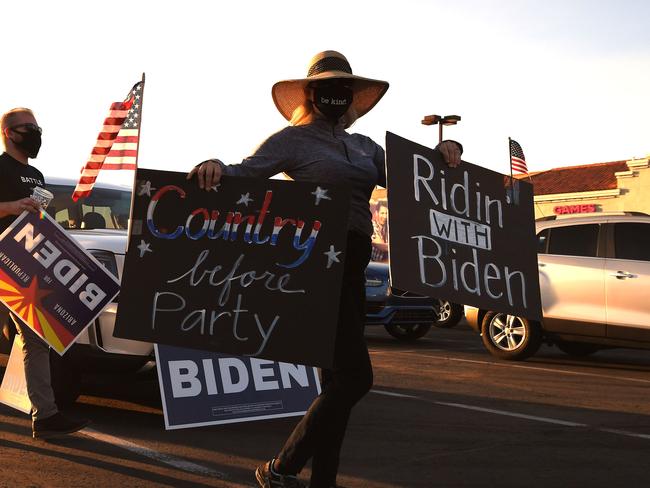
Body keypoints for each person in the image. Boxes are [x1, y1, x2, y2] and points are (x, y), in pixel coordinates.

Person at [188, 51, 462, 488]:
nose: (336, 95)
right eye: (327, 88)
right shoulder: (291, 140)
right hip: (315, 262)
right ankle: (281, 467)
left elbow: (418, 180)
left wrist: (445, 152)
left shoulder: (366, 147)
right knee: (356, 377)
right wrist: (214, 166)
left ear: (350, 96)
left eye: (343, 88)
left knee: (337, 381)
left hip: (354, 259)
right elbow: (245, 173)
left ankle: (323, 482)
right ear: (311, 94)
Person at [0, 107, 89, 439]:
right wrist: (10, 206)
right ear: (9, 133)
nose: (36, 134)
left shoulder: (36, 175)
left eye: (38, 128)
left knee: (37, 339)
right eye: (29, 128)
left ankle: (45, 415)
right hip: (1, 262)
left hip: (25, 270)